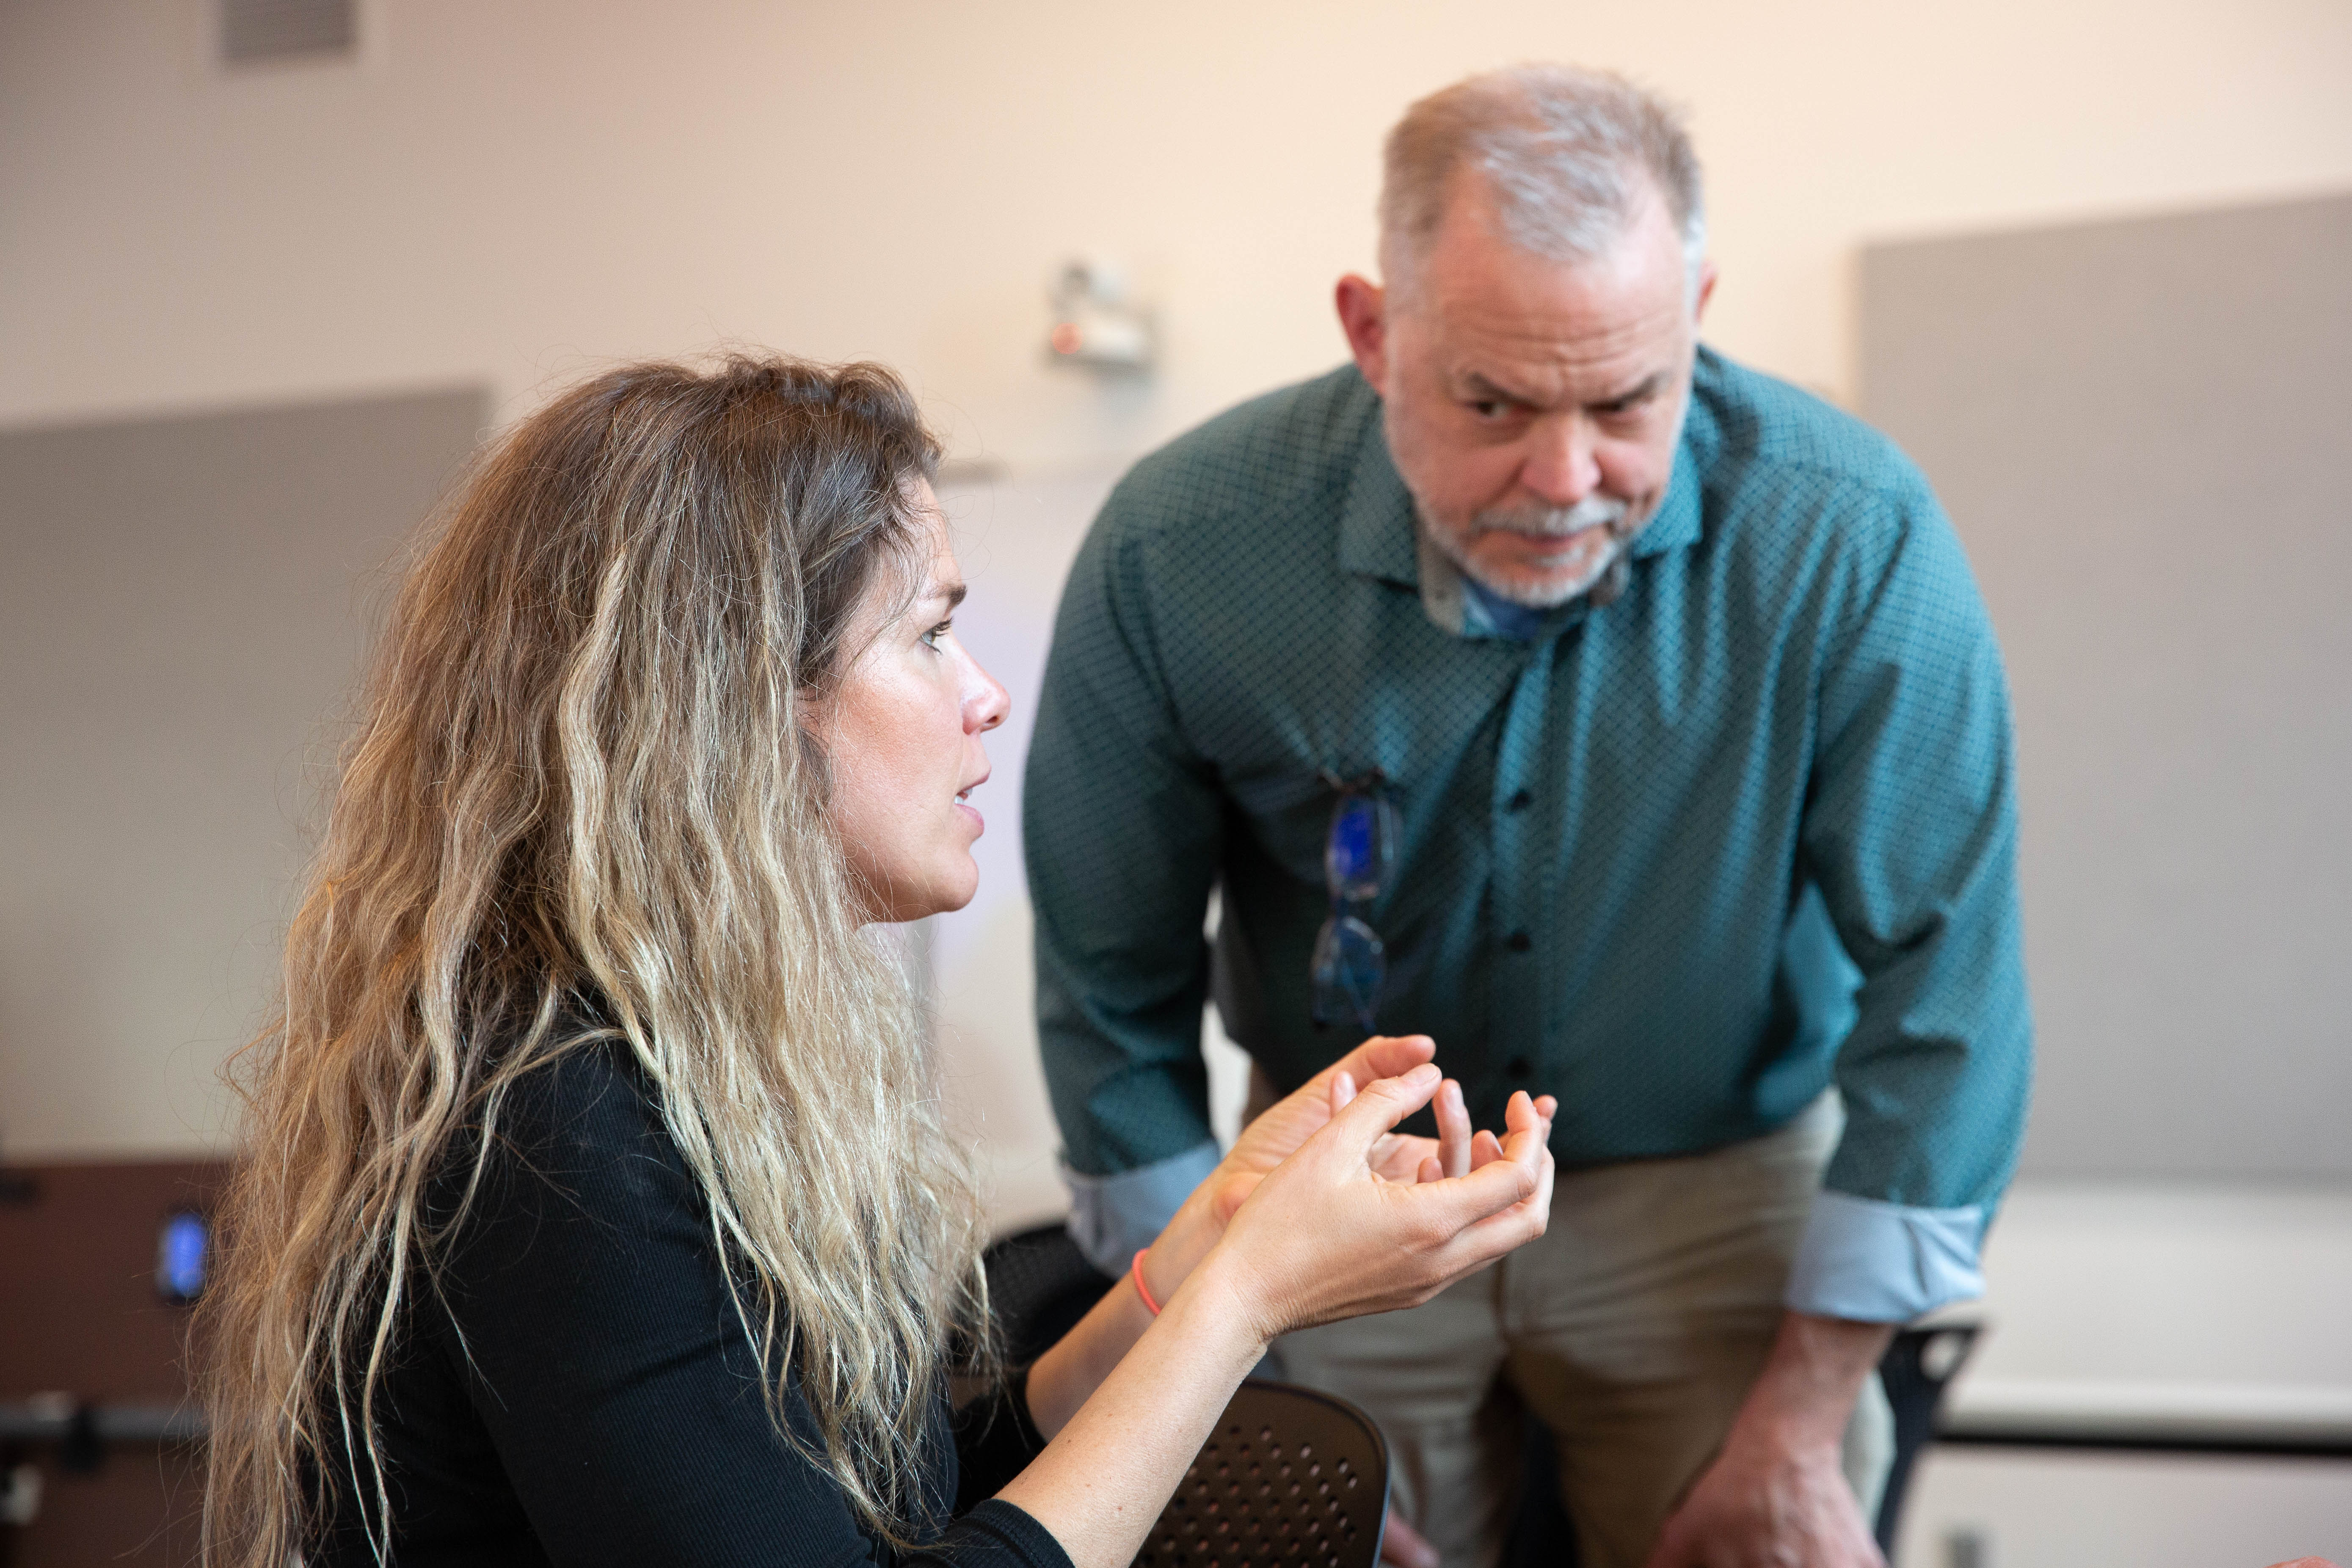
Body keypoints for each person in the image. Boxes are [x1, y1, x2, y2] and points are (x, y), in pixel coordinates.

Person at [197, 355, 1557, 1568]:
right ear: (733, 707)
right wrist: (1257, 1300)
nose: (986, 692)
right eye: (927, 634)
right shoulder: (562, 1122)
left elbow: (900, 1506)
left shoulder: (695, 1062)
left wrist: (1210, 1251)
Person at [1025, 65, 2032, 1568]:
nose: (1565, 481)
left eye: (1626, 400)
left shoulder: (1854, 536)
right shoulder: (1182, 551)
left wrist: (1804, 1418)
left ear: (1695, 308)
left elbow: (1948, 999)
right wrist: (1231, 1382)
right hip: (1329, 1196)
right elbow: (1111, 995)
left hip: (1716, 1189)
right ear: (1374, 332)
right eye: (1490, 402)